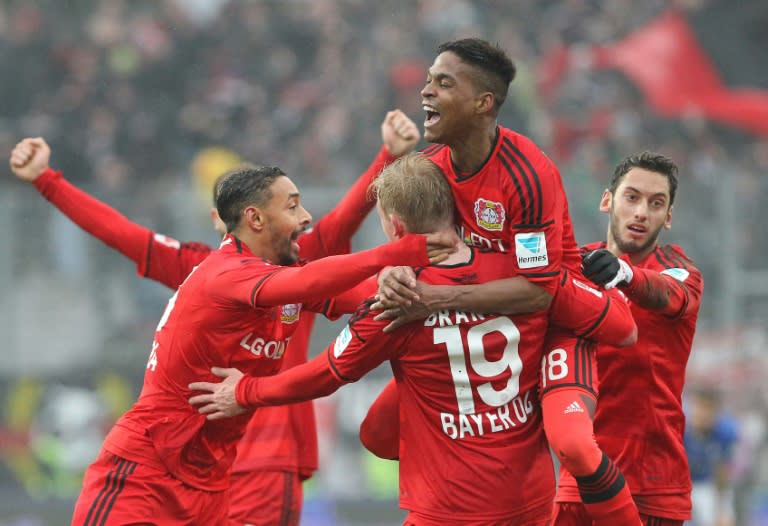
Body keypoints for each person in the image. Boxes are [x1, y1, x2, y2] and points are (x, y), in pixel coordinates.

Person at [9, 110, 420, 525]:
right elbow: (121, 232)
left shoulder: (295, 267)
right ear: (238, 219)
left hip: (220, 474)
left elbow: (344, 271)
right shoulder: (216, 272)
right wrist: (402, 253)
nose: (306, 217)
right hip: (155, 469)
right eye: (292, 206)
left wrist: (443, 285)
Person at [189, 153, 561, 525]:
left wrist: (246, 392)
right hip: (533, 496)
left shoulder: (395, 303)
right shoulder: (515, 274)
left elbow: (325, 373)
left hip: (451, 504)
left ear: (394, 224)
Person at [365, 38, 641, 524]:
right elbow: (415, 244)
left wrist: (435, 299)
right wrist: (393, 269)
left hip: (551, 313)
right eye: (428, 78)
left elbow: (538, 290)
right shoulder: (430, 167)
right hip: (483, 320)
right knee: (377, 434)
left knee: (575, 442)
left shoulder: (527, 173)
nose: (425, 90)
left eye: (443, 82)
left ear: (483, 103)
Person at [553, 151, 704, 526]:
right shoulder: (574, 265)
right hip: (576, 482)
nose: (641, 212)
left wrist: (623, 274)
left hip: (651, 489)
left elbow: (665, 294)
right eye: (632, 197)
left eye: (656, 204)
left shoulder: (680, 271)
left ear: (667, 217)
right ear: (608, 200)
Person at [684, 387, 738, 526]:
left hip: (708, 485)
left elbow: (722, 473)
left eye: (708, 409)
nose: (703, 414)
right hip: (681, 486)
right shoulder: (680, 430)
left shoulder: (724, 432)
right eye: (700, 407)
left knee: (725, 520)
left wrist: (722, 509)